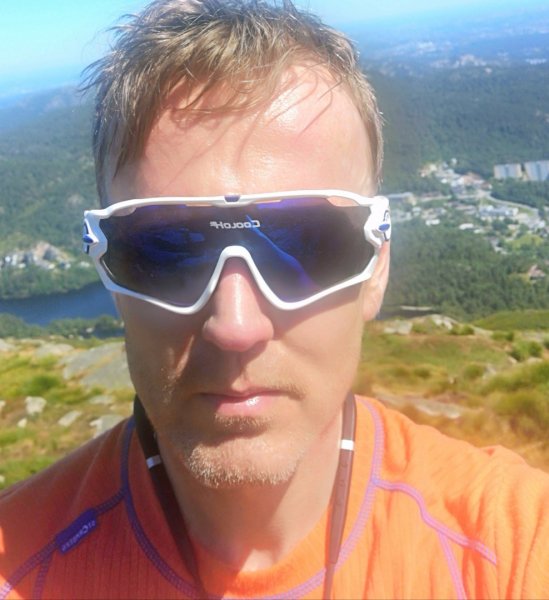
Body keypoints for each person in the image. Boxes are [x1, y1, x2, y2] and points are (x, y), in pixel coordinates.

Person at [1, 1, 548, 598]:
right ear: (107, 269)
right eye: (163, 250)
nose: (235, 325)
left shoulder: (513, 547)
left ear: (377, 268)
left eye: (307, 244)